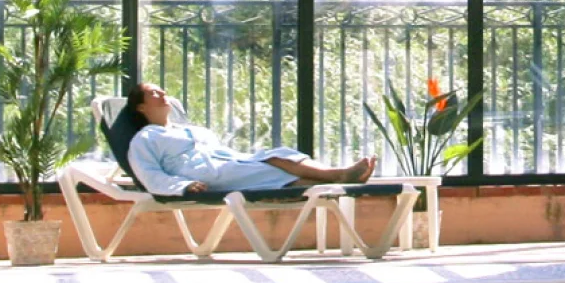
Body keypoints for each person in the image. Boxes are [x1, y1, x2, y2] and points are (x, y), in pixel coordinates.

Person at [120, 82, 376, 196]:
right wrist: (182, 187)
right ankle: (336, 180)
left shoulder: (191, 129)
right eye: (154, 92)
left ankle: (336, 176)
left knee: (278, 155)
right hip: (202, 172)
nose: (163, 94)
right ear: (141, 107)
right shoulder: (144, 139)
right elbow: (149, 175)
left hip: (227, 161)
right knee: (263, 171)